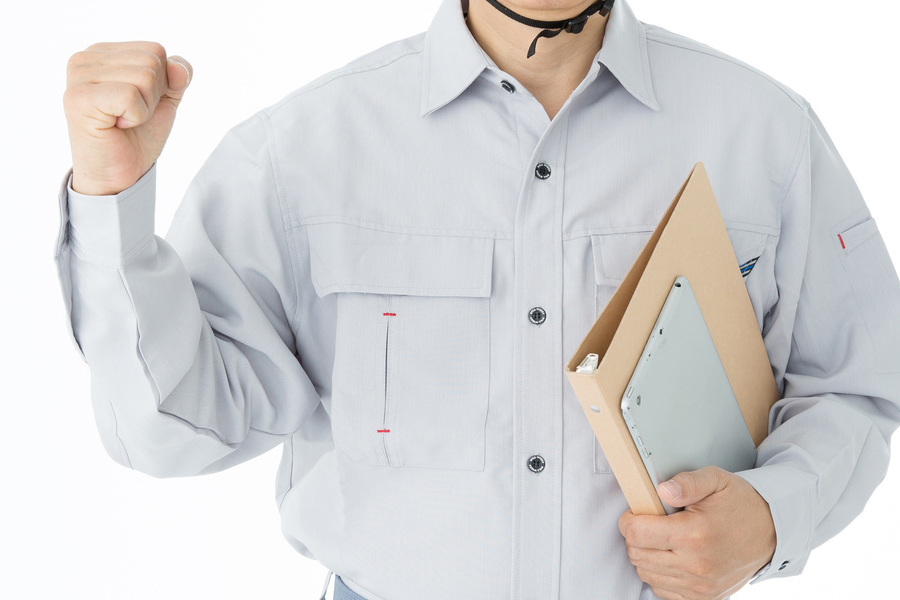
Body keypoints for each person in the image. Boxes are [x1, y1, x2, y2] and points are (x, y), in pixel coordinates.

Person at [56, 1, 900, 599]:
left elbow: (857, 386)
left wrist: (773, 516)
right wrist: (110, 198)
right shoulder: (299, 150)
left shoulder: (767, 133)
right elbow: (171, 431)